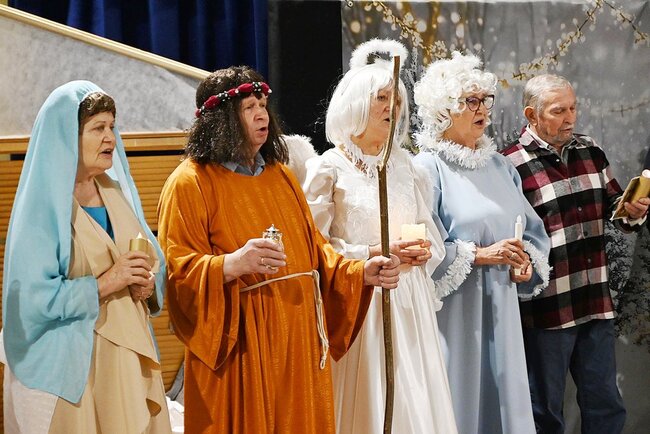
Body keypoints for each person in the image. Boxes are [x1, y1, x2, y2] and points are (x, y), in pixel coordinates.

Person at [156, 65, 401, 434]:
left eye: (263, 105)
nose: (262, 115)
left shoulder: (281, 175)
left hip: (298, 338)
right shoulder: (190, 182)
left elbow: (315, 250)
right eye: (249, 107)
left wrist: (358, 271)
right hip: (244, 345)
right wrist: (231, 264)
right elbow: (178, 270)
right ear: (222, 119)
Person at [300, 38, 458, 434]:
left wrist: (423, 251)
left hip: (410, 301)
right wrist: (370, 252)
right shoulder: (328, 169)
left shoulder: (407, 166)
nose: (393, 107)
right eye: (382, 98)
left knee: (413, 399)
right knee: (372, 401)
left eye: (397, 100)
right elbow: (313, 249)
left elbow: (429, 232)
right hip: (362, 303)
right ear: (356, 104)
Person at [1, 81, 170, 433]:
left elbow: (151, 258)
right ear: (66, 136)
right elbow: (33, 300)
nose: (111, 138)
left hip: (122, 364)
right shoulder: (42, 207)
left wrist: (146, 285)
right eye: (97, 128)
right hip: (66, 369)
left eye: (112, 126)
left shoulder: (115, 192)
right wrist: (109, 282)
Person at [501, 74, 650, 434]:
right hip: (546, 309)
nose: (570, 118)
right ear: (531, 114)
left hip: (595, 302)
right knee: (544, 412)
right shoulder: (508, 164)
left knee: (606, 405)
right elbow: (508, 235)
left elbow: (614, 208)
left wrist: (631, 210)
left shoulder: (590, 150)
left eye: (573, 108)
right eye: (559, 111)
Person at [413, 52, 551, 434]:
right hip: (456, 316)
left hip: (503, 311)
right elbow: (423, 246)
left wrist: (526, 262)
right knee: (461, 403)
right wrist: (478, 254)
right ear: (444, 109)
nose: (483, 109)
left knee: (505, 405)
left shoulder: (500, 166)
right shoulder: (427, 168)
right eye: (470, 101)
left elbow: (532, 231)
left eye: (485, 99)